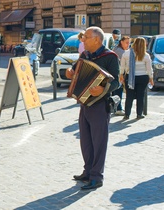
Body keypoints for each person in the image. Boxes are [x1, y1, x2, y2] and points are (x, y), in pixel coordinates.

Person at [65, 26, 120, 190]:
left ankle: (97, 176)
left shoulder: (110, 57)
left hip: (100, 105)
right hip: (84, 103)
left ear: (97, 39)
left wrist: (103, 89)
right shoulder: (84, 55)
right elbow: (73, 71)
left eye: (86, 37)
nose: (83, 40)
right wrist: (69, 72)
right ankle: (87, 171)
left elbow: (117, 82)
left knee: (99, 142)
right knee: (86, 141)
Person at [120, 37, 154, 120]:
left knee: (129, 96)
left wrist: (121, 74)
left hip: (130, 77)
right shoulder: (145, 55)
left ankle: (127, 114)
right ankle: (139, 114)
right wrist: (151, 78)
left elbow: (122, 66)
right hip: (143, 77)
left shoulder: (126, 53)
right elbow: (149, 68)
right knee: (140, 95)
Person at [112, 36, 131, 116]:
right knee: (118, 91)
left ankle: (115, 108)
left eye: (129, 43)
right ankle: (118, 108)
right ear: (121, 42)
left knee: (115, 91)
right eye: (126, 43)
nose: (128, 45)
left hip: (115, 73)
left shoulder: (117, 49)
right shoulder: (120, 51)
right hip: (118, 74)